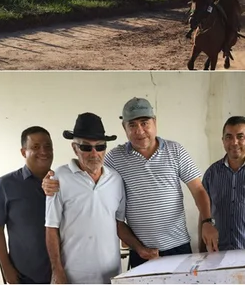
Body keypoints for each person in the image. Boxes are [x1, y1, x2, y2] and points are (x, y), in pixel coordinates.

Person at [43, 98, 219, 268]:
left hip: (178, 246)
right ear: (124, 128)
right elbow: (91, 171)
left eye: (144, 123)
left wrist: (207, 221)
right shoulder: (114, 158)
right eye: (132, 125)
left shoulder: (176, 151)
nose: (139, 131)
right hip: (140, 252)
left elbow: (198, 190)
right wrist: (49, 182)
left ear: (155, 122)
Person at [46, 113, 130, 284]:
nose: (94, 153)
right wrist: (57, 271)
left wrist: (141, 249)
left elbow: (118, 223)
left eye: (100, 147)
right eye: (86, 147)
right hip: (73, 276)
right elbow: (51, 228)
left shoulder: (116, 179)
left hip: (111, 274)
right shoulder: (58, 178)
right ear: (74, 148)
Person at [0, 126, 53, 284]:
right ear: (23, 152)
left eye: (47, 146)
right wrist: (7, 268)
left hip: (61, 273)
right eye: (35, 147)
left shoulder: (61, 183)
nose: (43, 151)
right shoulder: (6, 185)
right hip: (25, 276)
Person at [202, 116, 245, 251]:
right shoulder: (211, 173)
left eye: (240, 137)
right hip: (218, 253)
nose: (234, 142)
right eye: (229, 137)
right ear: (223, 141)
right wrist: (202, 247)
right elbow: (204, 213)